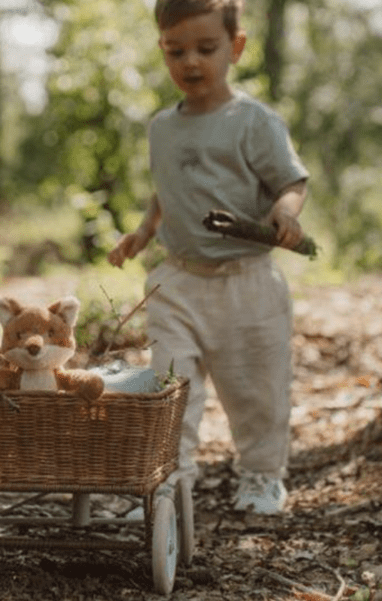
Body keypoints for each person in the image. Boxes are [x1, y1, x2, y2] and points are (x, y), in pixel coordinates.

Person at [108, 0, 309, 514]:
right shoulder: (161, 128)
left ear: (236, 47)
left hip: (248, 282)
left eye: (206, 48)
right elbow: (166, 189)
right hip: (178, 281)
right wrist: (143, 231)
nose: (191, 62)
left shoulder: (254, 122)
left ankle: (262, 476)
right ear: (162, 50)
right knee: (170, 386)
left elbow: (289, 181)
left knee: (258, 391)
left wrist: (286, 215)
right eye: (176, 51)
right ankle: (168, 481)